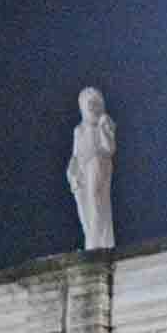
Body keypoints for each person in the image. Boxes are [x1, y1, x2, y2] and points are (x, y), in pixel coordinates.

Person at [66, 86, 116, 250]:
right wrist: (72, 171)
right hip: (84, 170)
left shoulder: (103, 124)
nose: (92, 108)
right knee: (86, 208)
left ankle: (96, 241)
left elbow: (109, 149)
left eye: (95, 103)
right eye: (88, 104)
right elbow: (75, 155)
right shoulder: (79, 130)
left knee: (96, 202)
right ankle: (92, 240)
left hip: (99, 164)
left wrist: (104, 129)